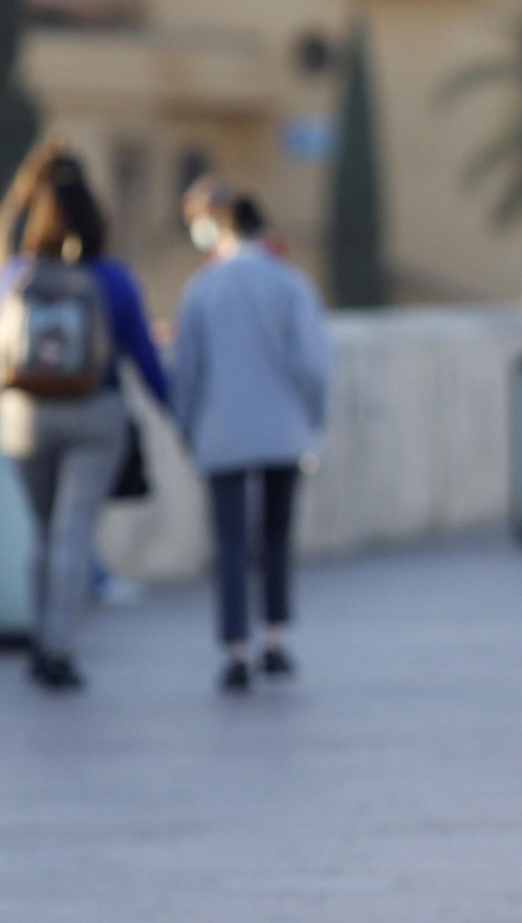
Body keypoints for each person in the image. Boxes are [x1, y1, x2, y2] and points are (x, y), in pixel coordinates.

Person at [0, 149, 169, 691]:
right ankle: (59, 649)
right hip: (93, 412)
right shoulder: (112, 278)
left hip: (23, 416)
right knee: (72, 533)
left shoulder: (16, 274)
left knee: (39, 534)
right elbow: (143, 358)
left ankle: (39, 641)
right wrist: (178, 415)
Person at [172, 183, 332, 693]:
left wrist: (186, 425)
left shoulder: (202, 288)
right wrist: (313, 419)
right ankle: (276, 641)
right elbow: (313, 365)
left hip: (220, 435)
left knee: (231, 544)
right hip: (283, 433)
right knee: (276, 539)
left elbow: (187, 369)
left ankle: (236, 650)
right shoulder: (291, 285)